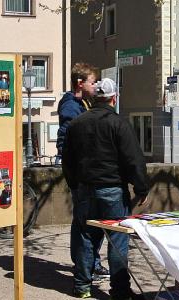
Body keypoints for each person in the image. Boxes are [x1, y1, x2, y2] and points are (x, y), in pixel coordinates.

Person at [62, 78, 149, 300]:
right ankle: (119, 292)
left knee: (85, 237)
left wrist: (75, 185)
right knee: (117, 240)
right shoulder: (118, 123)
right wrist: (141, 187)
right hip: (112, 189)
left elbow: (67, 159)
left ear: (93, 97)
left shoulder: (77, 123)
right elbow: (133, 159)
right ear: (113, 98)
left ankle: (82, 285)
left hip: (84, 189)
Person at [57, 63, 109, 281]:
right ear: (80, 83)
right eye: (91, 81)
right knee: (83, 222)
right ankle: (84, 264)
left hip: (88, 172)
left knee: (91, 221)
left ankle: (91, 262)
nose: (95, 85)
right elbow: (65, 141)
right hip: (81, 174)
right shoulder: (71, 105)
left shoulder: (84, 103)